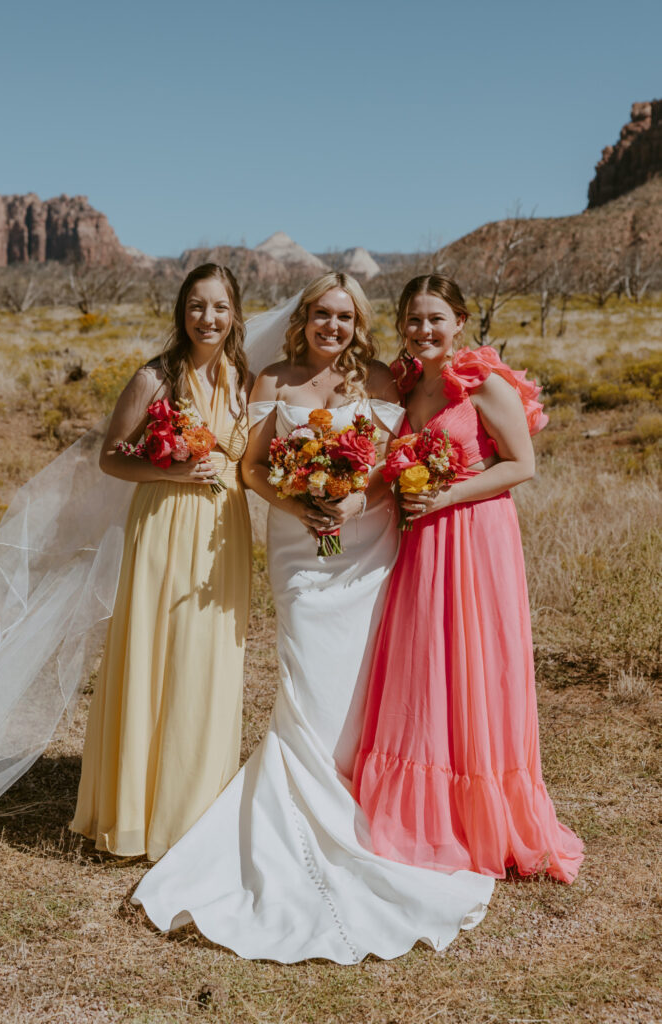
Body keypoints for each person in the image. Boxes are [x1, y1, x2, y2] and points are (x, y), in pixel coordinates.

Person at [131, 272, 494, 964]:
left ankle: (366, 804)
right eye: (321, 314)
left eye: (344, 315)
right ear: (303, 319)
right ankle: (299, 815)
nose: (332, 325)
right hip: (302, 550)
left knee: (361, 680)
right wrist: (298, 505)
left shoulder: (386, 379)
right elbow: (252, 468)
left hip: (368, 546)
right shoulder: (274, 376)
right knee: (307, 677)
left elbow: (395, 458)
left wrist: (362, 499)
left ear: (358, 322)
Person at [353, 274, 584, 883]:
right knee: (427, 666)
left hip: (476, 538)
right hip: (421, 543)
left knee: (475, 664)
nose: (423, 330)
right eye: (412, 320)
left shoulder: (483, 383)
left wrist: (445, 494)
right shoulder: (407, 387)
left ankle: (484, 813)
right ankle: (426, 814)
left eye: (435, 318)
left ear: (459, 321)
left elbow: (522, 464)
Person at [69, 263, 252, 862]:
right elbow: (112, 459)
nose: (209, 318)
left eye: (220, 307)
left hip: (222, 529)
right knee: (154, 651)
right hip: (164, 524)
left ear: (235, 314)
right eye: (197, 306)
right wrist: (166, 469)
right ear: (182, 311)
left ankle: (195, 805)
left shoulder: (242, 378)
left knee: (208, 660)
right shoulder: (154, 378)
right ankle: (136, 810)